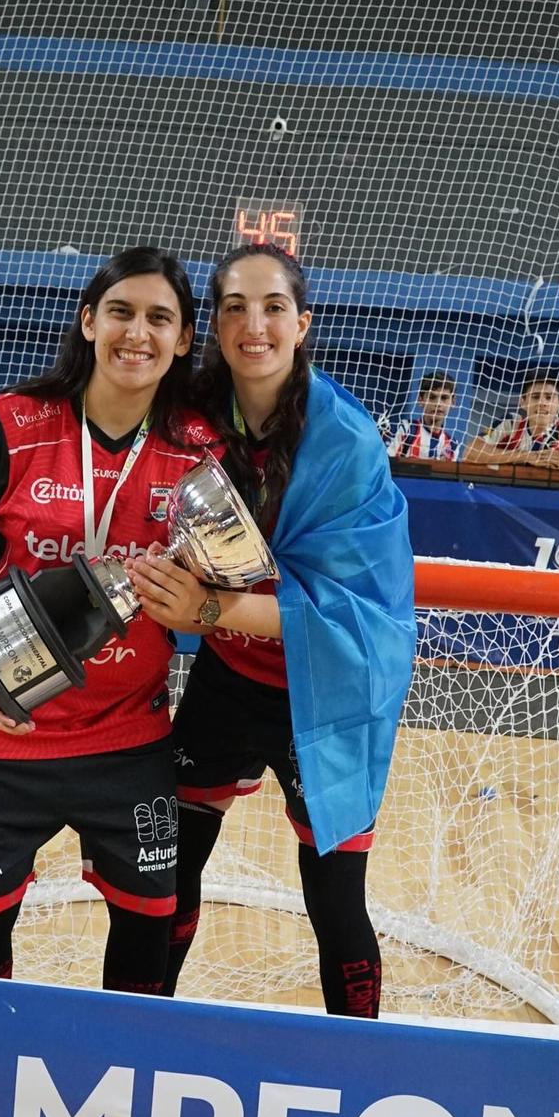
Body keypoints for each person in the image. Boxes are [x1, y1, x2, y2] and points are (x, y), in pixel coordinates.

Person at [0, 248, 216, 995]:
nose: (136, 333)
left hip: (130, 737)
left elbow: (218, 591)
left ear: (183, 341)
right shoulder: (8, 425)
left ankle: (121, 1084)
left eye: (159, 319)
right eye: (120, 312)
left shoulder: (199, 451)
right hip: (5, 733)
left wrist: (200, 607)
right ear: (88, 321)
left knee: (149, 932)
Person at [129, 243, 417, 1020]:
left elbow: (348, 612)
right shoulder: (187, 415)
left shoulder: (346, 443)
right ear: (212, 326)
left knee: (334, 900)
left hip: (326, 695)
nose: (253, 324)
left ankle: (355, 1066)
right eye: (233, 307)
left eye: (273, 307)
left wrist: (208, 610)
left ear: (301, 324)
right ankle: (142, 1039)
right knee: (170, 875)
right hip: (227, 680)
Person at [388, 371, 458, 460]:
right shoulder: (406, 430)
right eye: (432, 397)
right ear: (421, 400)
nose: (438, 403)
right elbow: (387, 464)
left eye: (444, 398)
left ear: (453, 401)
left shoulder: (452, 444)